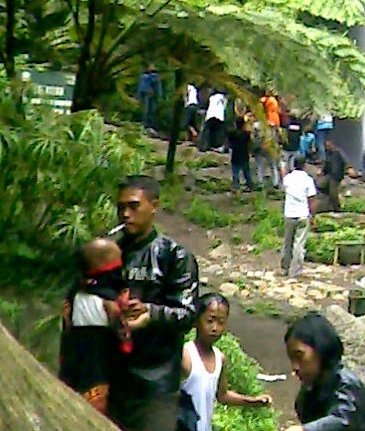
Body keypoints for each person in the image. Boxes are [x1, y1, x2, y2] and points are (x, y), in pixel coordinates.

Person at [110, 174, 199, 431]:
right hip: (113, 379)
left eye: (134, 206)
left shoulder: (174, 256)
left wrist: (150, 312)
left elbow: (187, 314)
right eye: (121, 207)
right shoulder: (110, 254)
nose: (125, 214)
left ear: (154, 205)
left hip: (155, 385)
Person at [60, 237, 132, 415]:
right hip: (99, 364)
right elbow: (123, 335)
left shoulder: (75, 295)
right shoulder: (109, 302)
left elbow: (67, 326)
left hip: (75, 360)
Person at [179, 293, 271, 429]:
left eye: (221, 322)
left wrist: (252, 401)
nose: (215, 328)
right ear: (196, 321)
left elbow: (222, 395)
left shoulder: (219, 358)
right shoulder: (185, 355)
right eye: (210, 321)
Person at [285, 311, 365, 429]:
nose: (295, 367)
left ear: (321, 348)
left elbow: (344, 419)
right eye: (292, 359)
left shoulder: (345, 383)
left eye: (299, 356)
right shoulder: (311, 392)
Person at [281, 154, 316, 277]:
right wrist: (313, 216)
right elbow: (311, 200)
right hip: (303, 213)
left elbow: (284, 186)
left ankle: (285, 268)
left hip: (289, 214)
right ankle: (296, 270)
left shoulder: (288, 179)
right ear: (304, 165)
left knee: (287, 243)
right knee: (299, 244)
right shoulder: (308, 180)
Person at [317, 137, 348, 210]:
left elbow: (345, 162)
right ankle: (328, 205)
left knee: (333, 194)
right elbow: (326, 164)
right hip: (330, 175)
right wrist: (322, 171)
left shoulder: (338, 153)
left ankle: (337, 209)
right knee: (320, 185)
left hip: (336, 176)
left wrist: (348, 169)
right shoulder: (328, 154)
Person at [227, 115, 253, 193]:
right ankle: (249, 186)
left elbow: (229, 143)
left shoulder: (233, 134)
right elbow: (250, 143)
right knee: (246, 172)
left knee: (235, 173)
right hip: (244, 155)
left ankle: (236, 187)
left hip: (235, 155)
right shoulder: (246, 134)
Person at [136, 65, 163, 132]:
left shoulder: (148, 76)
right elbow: (158, 87)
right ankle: (146, 125)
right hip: (147, 94)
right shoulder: (150, 76)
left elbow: (141, 87)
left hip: (149, 95)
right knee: (147, 110)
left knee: (148, 110)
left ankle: (147, 125)